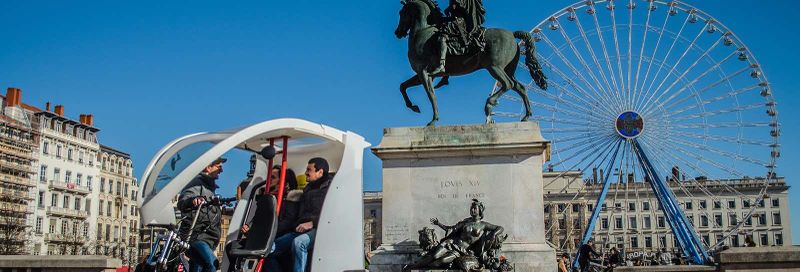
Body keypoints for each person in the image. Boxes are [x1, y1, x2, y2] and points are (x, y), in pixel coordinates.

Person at [265, 157, 332, 272]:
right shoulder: (307, 189)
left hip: (320, 228)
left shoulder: (331, 189)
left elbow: (332, 212)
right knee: (267, 250)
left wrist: (312, 223)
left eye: (309, 170)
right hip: (300, 229)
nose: (305, 173)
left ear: (320, 172)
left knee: (299, 243)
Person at [177, 157, 226, 272]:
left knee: (198, 266)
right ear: (208, 167)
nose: (221, 170)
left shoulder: (209, 187)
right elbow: (183, 201)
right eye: (219, 167)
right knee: (212, 263)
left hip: (207, 237)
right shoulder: (196, 183)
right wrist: (193, 200)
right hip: (197, 236)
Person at [430, 0, 486, 74]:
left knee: (443, 36)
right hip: (455, 19)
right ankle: (445, 75)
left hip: (458, 21)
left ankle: (441, 65)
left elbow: (459, 5)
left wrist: (450, 8)